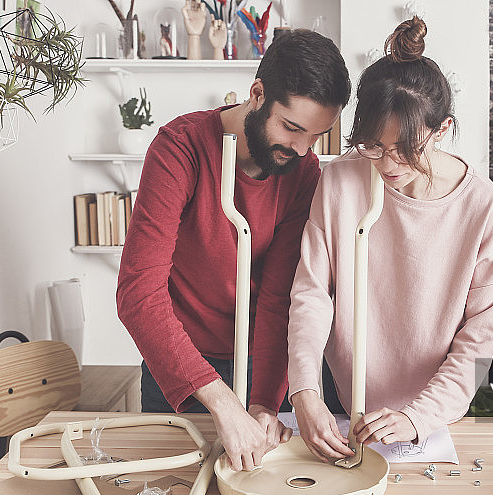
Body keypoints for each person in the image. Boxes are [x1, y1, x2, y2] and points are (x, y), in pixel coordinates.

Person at [116, 29, 350, 472]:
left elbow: (280, 294)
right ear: (257, 94)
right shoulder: (179, 148)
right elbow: (137, 293)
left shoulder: (303, 171)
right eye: (292, 128)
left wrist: (263, 403)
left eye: (316, 136)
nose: (301, 149)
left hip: (262, 358)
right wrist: (222, 402)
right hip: (181, 358)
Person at [287, 17, 493, 462]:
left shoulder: (482, 205)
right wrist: (304, 391)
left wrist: (419, 416)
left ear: (442, 129)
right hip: (346, 402)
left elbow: (480, 332)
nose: (388, 164)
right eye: (373, 145)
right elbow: (312, 294)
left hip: (433, 417)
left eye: (406, 149)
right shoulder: (340, 181)